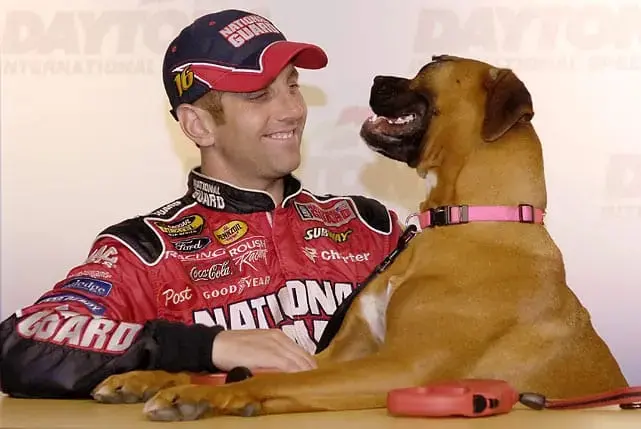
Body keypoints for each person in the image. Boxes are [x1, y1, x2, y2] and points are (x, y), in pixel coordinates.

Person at [0, 9, 404, 399]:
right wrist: (208, 346)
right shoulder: (146, 250)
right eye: (260, 95)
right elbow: (21, 344)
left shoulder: (371, 227)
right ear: (199, 124)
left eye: (293, 86)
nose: (292, 111)